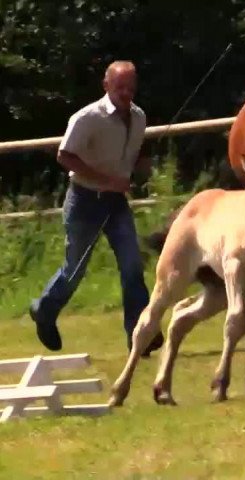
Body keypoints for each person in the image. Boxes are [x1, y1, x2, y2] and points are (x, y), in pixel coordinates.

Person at [29, 60, 163, 356]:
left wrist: (141, 171)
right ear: (106, 86)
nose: (126, 93)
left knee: (132, 267)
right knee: (74, 270)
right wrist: (108, 180)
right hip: (84, 201)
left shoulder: (139, 117)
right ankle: (44, 311)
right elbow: (65, 156)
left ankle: (139, 335)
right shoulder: (88, 117)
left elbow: (135, 152)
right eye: (120, 87)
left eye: (130, 87)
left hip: (116, 204)